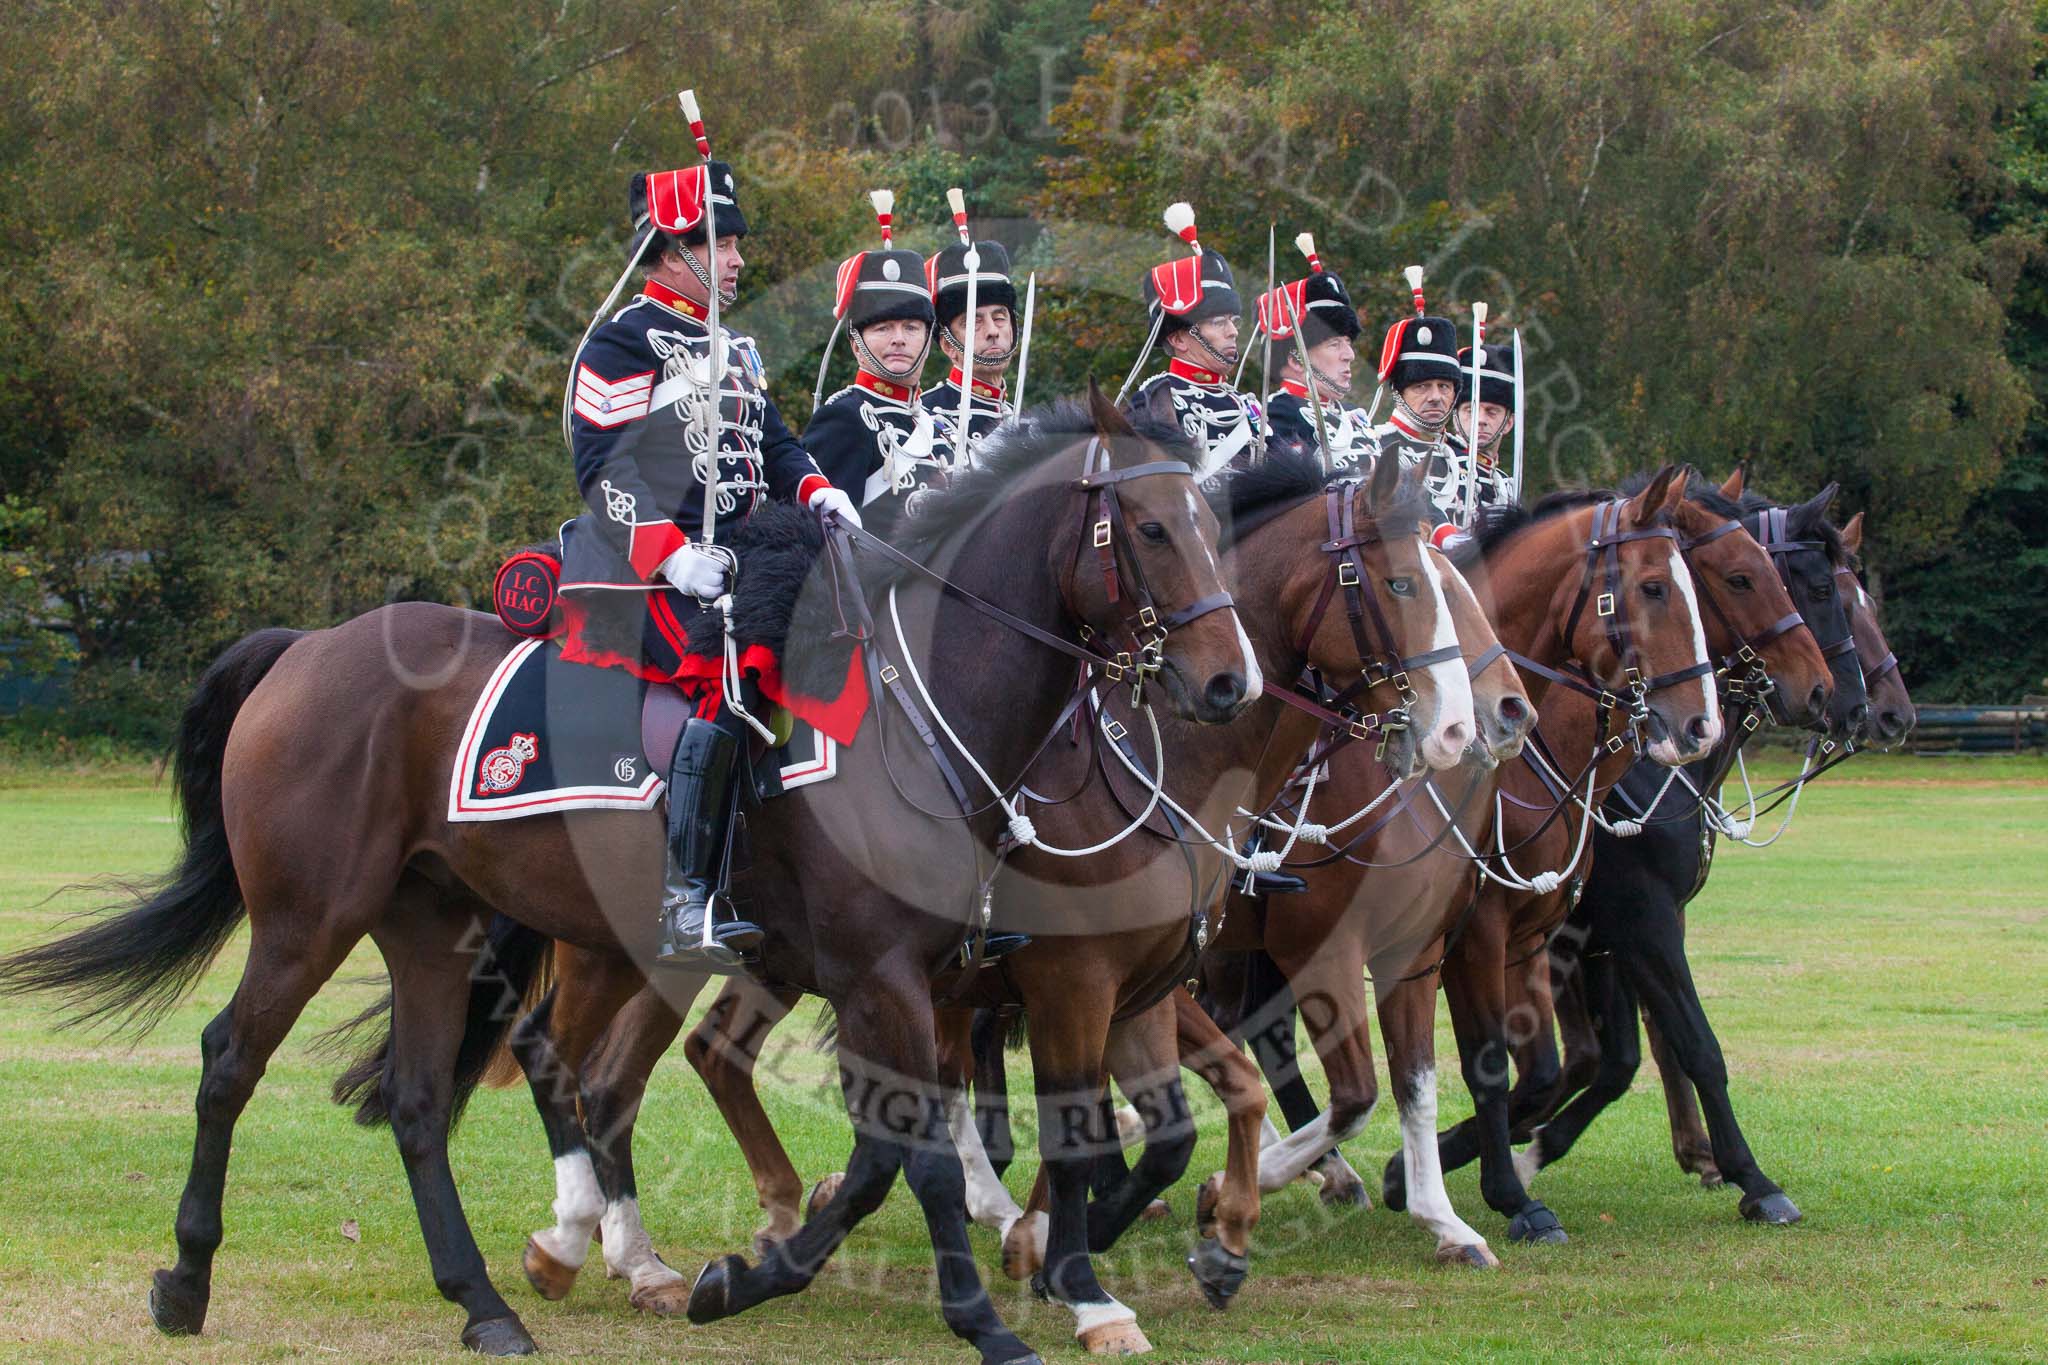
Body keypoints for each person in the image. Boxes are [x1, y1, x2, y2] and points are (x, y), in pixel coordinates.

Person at [557, 151, 859, 972]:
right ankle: (687, 893)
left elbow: (777, 444)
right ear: (672, 250)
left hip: (752, 552)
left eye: (733, 244)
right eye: (720, 245)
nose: (736, 261)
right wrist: (674, 558)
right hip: (654, 571)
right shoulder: (623, 343)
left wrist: (818, 491)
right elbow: (601, 470)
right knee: (737, 670)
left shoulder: (744, 349)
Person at [803, 190, 944, 520]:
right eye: (882, 328)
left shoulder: (937, 429)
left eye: (911, 327)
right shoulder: (842, 419)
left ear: (927, 337)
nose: (898, 339)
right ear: (856, 343)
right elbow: (828, 549)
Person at [1128, 203, 1262, 485]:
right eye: (1217, 322)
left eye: (1232, 320)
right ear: (1178, 338)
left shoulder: (1245, 405)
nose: (1232, 332)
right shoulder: (1155, 400)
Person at [1255, 232, 1371, 470]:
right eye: (1334, 344)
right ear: (1297, 360)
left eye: (1348, 342)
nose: (1349, 355)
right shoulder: (1275, 415)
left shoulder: (1355, 418)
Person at [921, 199, 1019, 476]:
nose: (992, 330)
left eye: (1000, 317)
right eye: (973, 322)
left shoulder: (1024, 421)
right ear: (947, 345)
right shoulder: (924, 418)